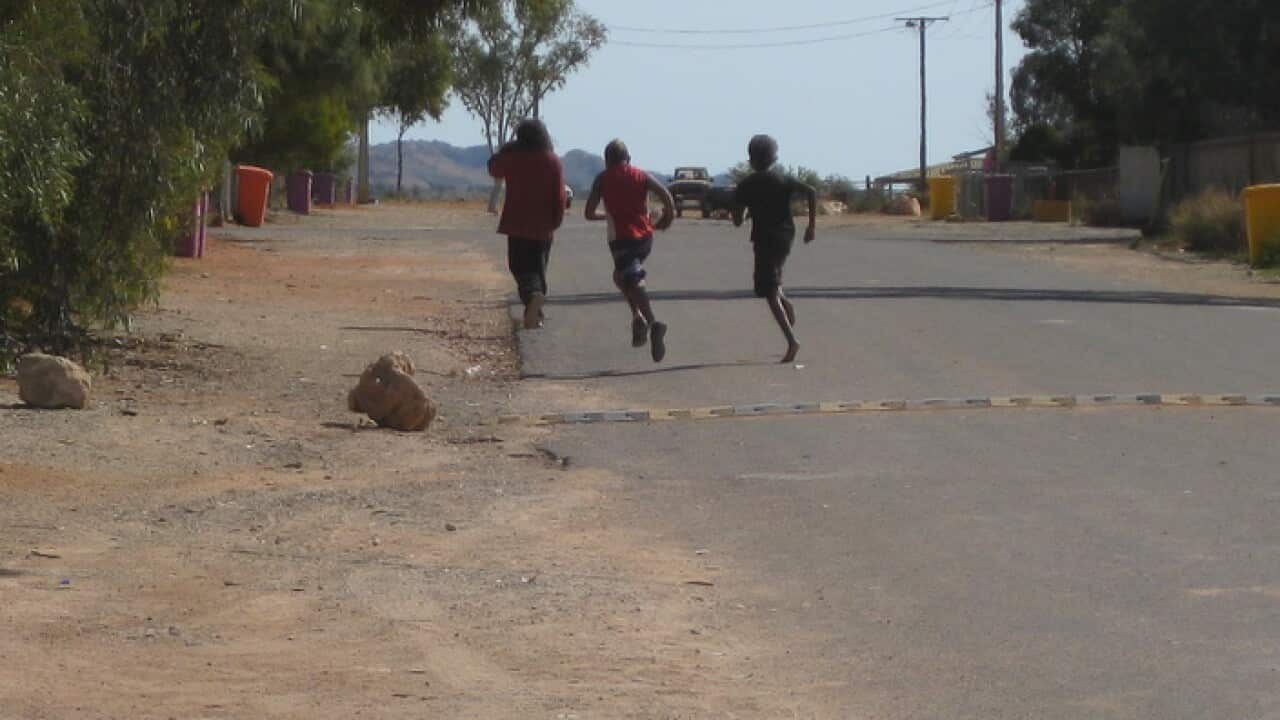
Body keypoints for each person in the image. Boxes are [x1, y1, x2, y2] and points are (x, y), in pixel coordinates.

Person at [584, 140, 676, 362]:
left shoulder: (602, 178)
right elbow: (665, 194)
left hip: (621, 240)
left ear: (607, 160)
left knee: (632, 278)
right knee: (620, 277)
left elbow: (588, 212)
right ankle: (638, 317)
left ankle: (653, 323)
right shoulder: (641, 175)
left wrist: (606, 216)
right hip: (645, 238)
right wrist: (668, 216)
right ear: (629, 158)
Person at [732, 134, 817, 363]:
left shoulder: (746, 185)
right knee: (772, 278)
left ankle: (791, 340)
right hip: (785, 237)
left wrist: (743, 212)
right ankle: (784, 301)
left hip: (764, 238)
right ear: (774, 157)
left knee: (768, 291)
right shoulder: (782, 179)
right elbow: (811, 191)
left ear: (750, 159)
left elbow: (737, 219)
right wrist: (811, 227)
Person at [487, 119, 566, 329]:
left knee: (519, 268)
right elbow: (559, 197)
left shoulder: (513, 157)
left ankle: (533, 300)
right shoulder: (553, 161)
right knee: (538, 269)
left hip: (517, 224)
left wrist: (505, 149)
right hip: (544, 227)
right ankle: (536, 312)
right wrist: (556, 221)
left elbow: (494, 169)